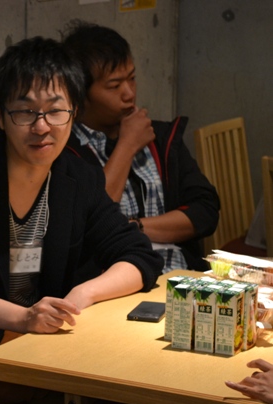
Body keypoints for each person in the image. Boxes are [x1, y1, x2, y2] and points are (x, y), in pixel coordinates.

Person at [0, 37, 164, 404]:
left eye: (56, 111)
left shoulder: (78, 177)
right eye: (25, 112)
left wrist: (80, 297)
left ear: (74, 111)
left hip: (42, 350)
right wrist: (24, 318)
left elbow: (138, 255)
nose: (42, 127)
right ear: (0, 115)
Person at [61, 20, 220, 273]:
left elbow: (205, 211)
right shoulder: (64, 150)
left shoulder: (161, 138)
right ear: (79, 93)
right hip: (113, 281)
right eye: (114, 86)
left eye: (132, 79)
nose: (129, 93)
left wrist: (136, 227)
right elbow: (87, 224)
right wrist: (127, 146)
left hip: (178, 274)